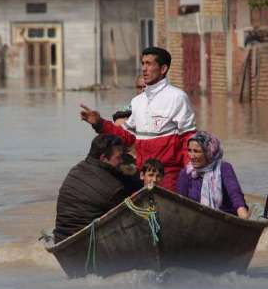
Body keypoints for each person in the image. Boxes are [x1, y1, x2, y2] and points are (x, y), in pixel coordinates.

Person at [80, 47, 196, 191]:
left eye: (149, 64)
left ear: (163, 68)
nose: (144, 69)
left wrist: (191, 174)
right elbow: (126, 138)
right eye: (143, 63)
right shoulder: (137, 102)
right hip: (143, 174)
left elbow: (188, 139)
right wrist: (100, 123)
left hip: (168, 175)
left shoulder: (177, 97)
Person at [53, 134, 127, 242]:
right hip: (88, 242)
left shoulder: (77, 169)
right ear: (103, 158)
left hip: (61, 236)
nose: (121, 161)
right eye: (118, 157)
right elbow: (126, 217)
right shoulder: (113, 187)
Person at [176, 131, 250, 219]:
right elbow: (181, 203)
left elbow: (235, 194)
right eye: (189, 150)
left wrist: (242, 214)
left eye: (196, 151)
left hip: (226, 219)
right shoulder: (186, 173)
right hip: (196, 221)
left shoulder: (224, 168)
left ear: (208, 152)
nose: (191, 156)